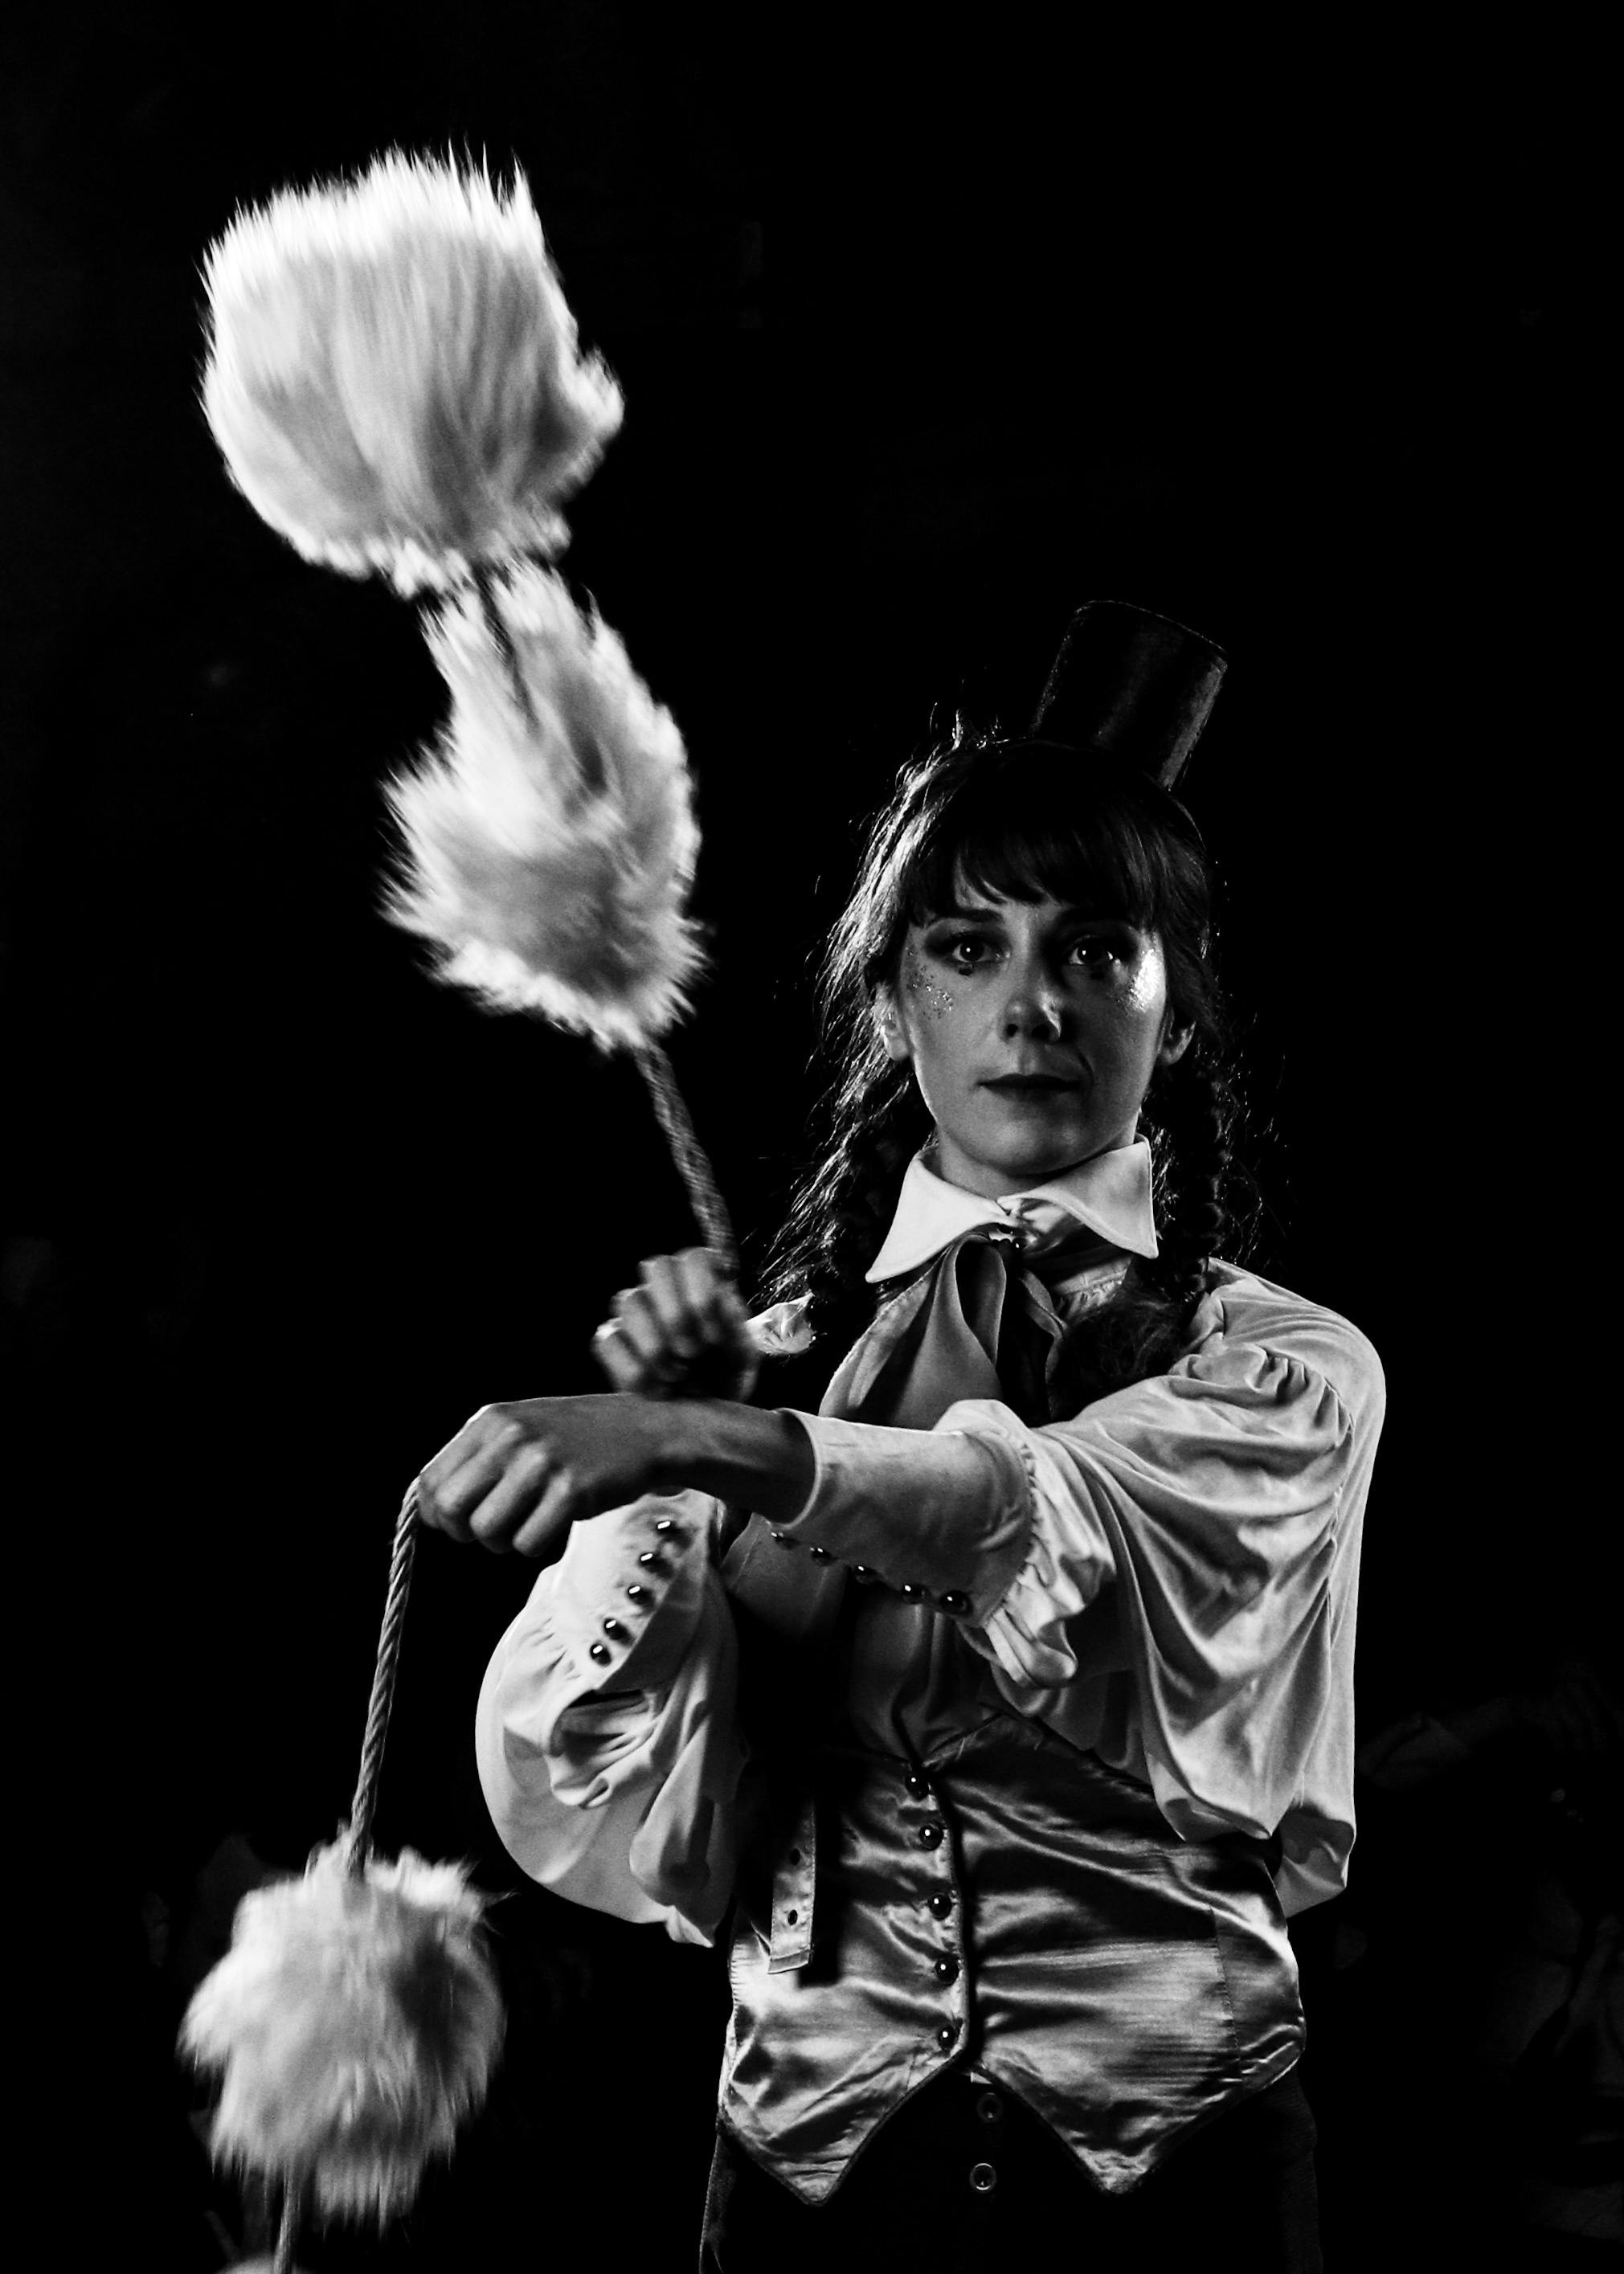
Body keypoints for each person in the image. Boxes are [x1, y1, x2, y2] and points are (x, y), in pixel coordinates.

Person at [413, 603, 1385, 2272]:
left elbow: (1027, 1500)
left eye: (1095, 949)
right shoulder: (776, 1368)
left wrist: (719, 1440)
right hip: (813, 2179)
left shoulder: (1288, 1365)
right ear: (890, 1001)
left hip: (1180, 2178)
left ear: (1179, 1005)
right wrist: (664, 1488)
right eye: (967, 946)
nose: (1034, 1004)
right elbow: (592, 1775)